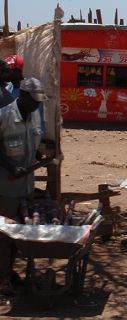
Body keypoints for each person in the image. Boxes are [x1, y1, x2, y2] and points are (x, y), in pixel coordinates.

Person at [0, 78, 46, 298]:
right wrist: (10, 166)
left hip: (27, 187)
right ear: (23, 96)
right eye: (34, 101)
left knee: (20, 234)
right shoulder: (4, 116)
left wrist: (38, 153)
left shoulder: (35, 114)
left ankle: (10, 272)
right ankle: (2, 278)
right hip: (6, 188)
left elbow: (32, 141)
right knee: (3, 235)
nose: (37, 105)